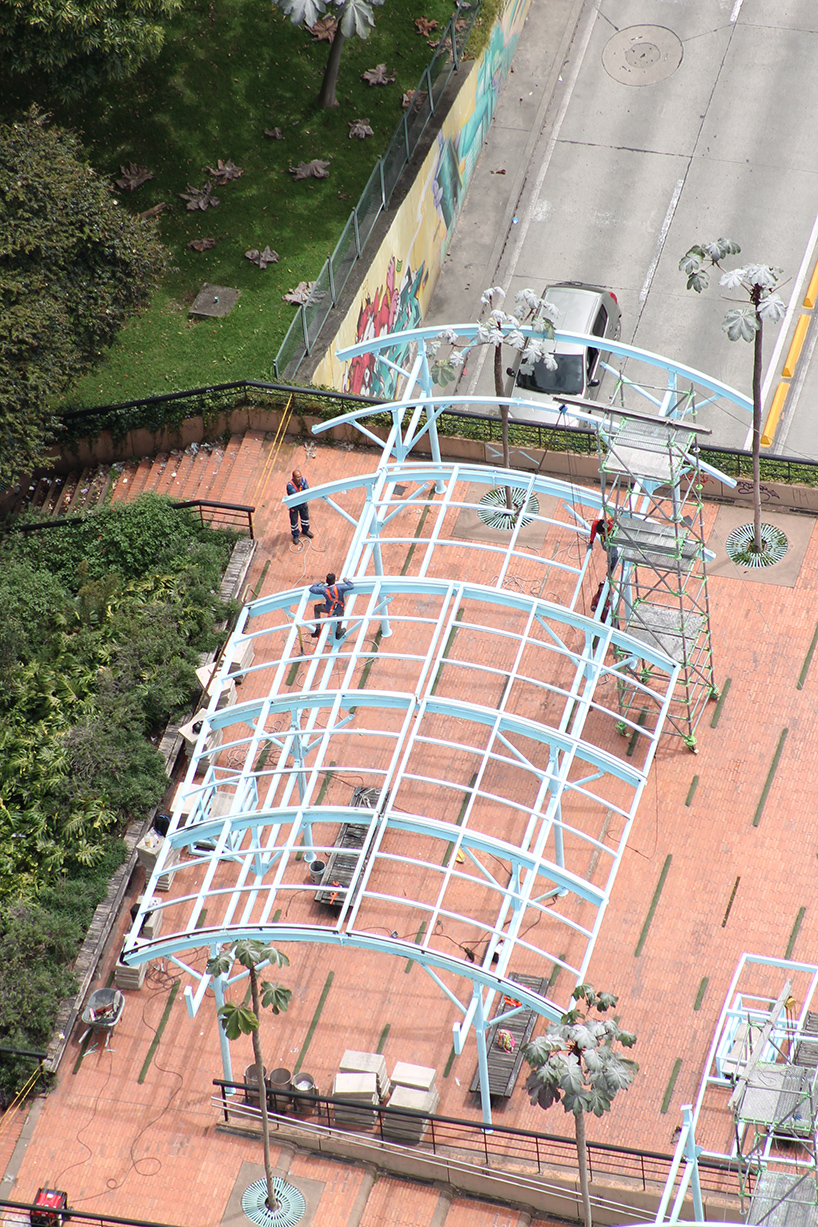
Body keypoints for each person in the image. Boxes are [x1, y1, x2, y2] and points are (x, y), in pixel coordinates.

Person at [308, 573, 354, 640]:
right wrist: (346, 580)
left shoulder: (323, 590)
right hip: (339, 609)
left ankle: (318, 629)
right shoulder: (339, 588)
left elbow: (311, 589)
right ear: (334, 581)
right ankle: (338, 632)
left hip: (328, 609)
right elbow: (351, 586)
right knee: (340, 616)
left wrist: (319, 583)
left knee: (317, 608)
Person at [286, 469, 313, 543]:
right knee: (294, 522)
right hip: (294, 505)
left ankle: (305, 530)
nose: (299, 478)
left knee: (305, 518)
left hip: (303, 504)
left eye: (300, 476)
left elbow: (307, 490)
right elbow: (295, 496)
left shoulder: (303, 480)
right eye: (298, 477)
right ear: (293, 478)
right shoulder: (290, 485)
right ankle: (295, 535)